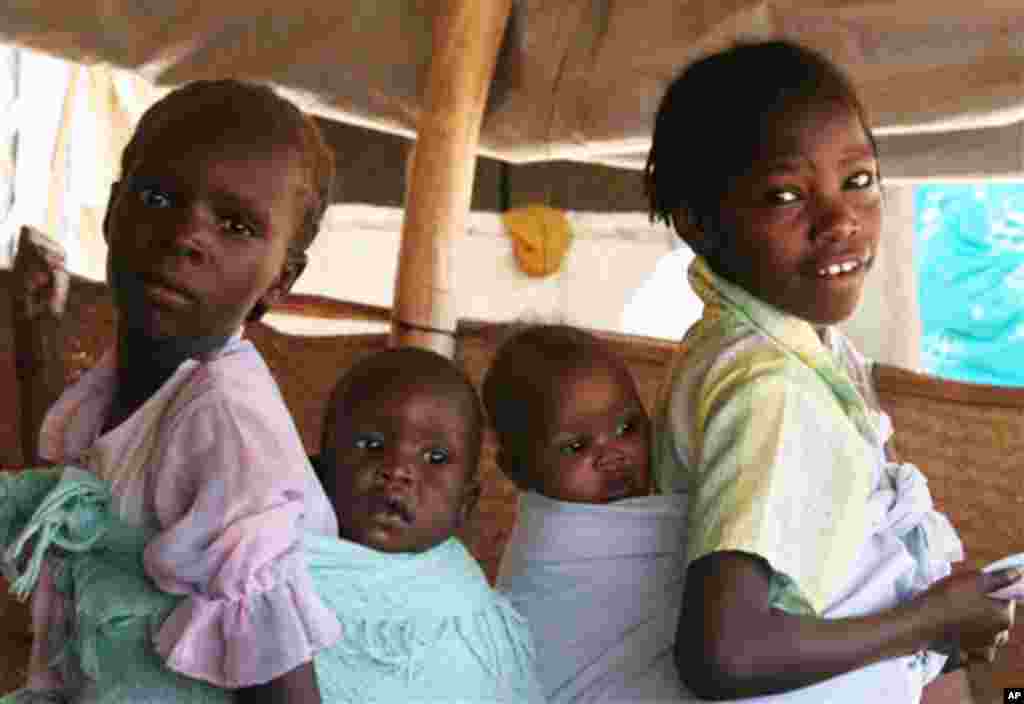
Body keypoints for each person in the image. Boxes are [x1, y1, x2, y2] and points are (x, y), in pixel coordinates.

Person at [644, 40, 1021, 702]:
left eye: (859, 180)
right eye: (786, 194)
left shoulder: (799, 354)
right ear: (698, 223)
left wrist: (938, 624)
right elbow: (724, 654)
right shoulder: (768, 385)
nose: (841, 220)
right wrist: (929, 621)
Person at [7, 79, 340, 703]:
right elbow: (67, 501)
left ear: (281, 280)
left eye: (236, 225)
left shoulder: (227, 428)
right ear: (113, 213)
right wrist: (36, 338)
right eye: (158, 197)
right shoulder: (126, 383)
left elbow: (285, 686)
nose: (186, 235)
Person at [0, 347, 544, 703]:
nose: (398, 470)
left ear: (468, 502)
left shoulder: (475, 618)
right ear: (319, 468)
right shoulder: (260, 556)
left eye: (435, 458)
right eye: (372, 445)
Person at [484, 324, 687, 702]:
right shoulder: (547, 550)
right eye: (576, 446)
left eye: (627, 428)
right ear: (517, 469)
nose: (613, 456)